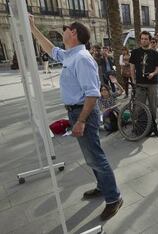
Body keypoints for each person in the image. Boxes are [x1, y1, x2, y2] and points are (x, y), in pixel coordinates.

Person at [29, 19, 123, 220]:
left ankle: (114, 198)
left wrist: (80, 121)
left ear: (73, 33)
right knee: (91, 156)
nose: (62, 33)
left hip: (83, 113)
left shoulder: (81, 58)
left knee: (96, 157)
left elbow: (92, 94)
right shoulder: (71, 55)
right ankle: (102, 186)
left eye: (65, 30)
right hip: (77, 112)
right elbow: (51, 49)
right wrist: (33, 28)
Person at [129, 31, 158, 134]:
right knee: (139, 106)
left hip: (153, 83)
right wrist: (134, 80)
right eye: (142, 39)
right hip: (140, 84)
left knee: (153, 106)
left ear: (149, 40)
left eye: (146, 39)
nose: (143, 40)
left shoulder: (155, 53)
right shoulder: (135, 52)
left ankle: (152, 127)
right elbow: (132, 68)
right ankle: (140, 127)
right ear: (140, 40)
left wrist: (153, 73)